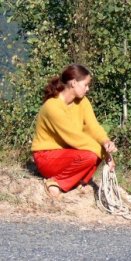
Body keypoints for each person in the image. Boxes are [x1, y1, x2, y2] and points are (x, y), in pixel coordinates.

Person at [31, 64, 117, 199]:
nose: (88, 89)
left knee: (95, 152)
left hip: (67, 153)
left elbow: (93, 127)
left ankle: (79, 182)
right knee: (90, 155)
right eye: (86, 85)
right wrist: (106, 155)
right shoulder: (52, 107)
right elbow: (74, 138)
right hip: (46, 156)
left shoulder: (83, 102)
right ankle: (56, 182)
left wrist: (106, 142)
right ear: (73, 83)